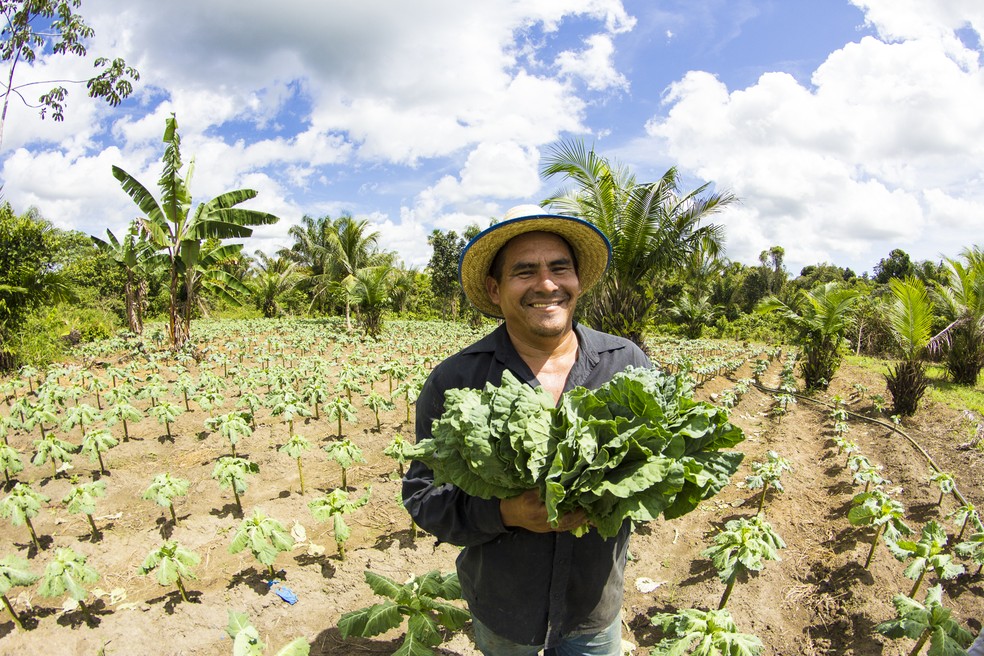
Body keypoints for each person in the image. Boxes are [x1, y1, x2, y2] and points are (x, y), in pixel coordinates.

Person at [402, 204, 650, 656]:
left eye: (560, 268)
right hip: (504, 612)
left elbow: (661, 464)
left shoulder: (625, 363)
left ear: (577, 281)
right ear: (495, 290)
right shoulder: (455, 380)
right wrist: (507, 513)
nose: (547, 284)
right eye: (525, 271)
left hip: (593, 609)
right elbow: (423, 497)